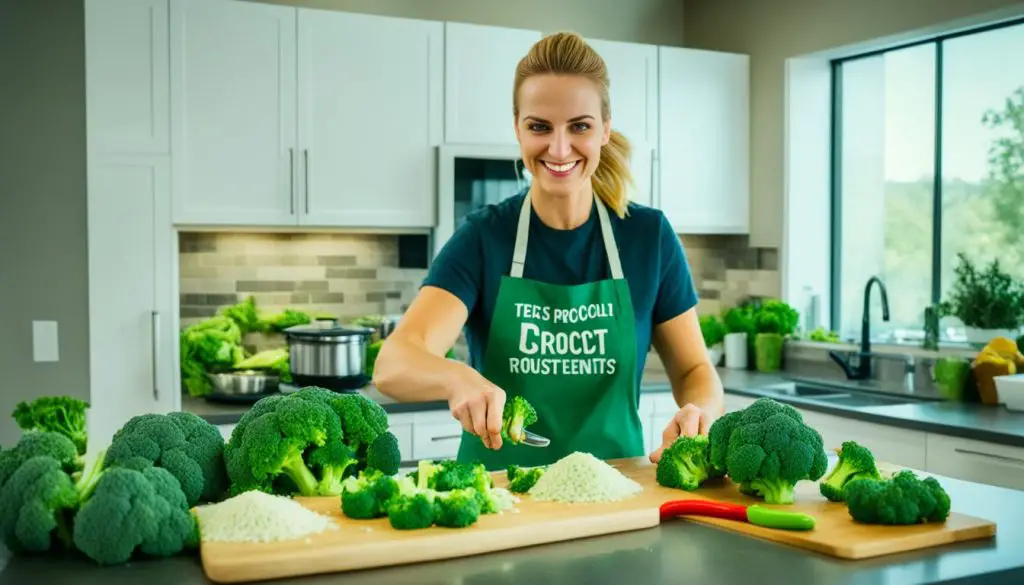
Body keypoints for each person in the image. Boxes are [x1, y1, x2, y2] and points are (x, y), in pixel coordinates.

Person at [373, 31, 724, 470]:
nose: (559, 149)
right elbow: (393, 364)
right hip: (499, 496)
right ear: (518, 128)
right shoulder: (484, 237)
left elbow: (695, 372)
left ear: (605, 130)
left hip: (613, 492)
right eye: (540, 126)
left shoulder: (647, 237)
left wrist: (700, 413)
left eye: (580, 126)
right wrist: (456, 378)